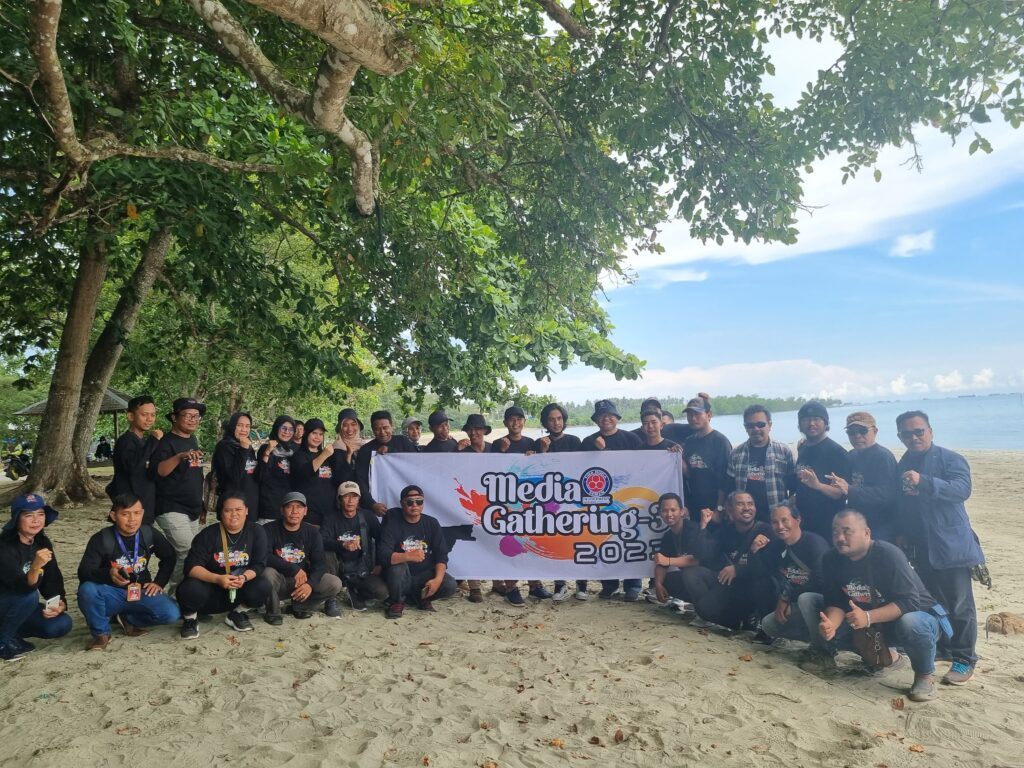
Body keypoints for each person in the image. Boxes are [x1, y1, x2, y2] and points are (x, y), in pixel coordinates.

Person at [894, 410, 984, 686]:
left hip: (952, 545)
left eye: (919, 431)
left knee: (960, 606)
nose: (914, 437)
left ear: (930, 431)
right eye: (907, 434)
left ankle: (965, 657)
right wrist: (901, 535)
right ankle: (944, 648)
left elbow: (962, 489)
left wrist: (926, 481)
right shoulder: (903, 463)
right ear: (899, 437)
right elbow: (903, 504)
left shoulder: (951, 459)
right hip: (921, 548)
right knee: (934, 603)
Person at [818, 510, 944, 702]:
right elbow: (835, 602)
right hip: (871, 623)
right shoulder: (830, 559)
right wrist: (831, 626)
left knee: (911, 622)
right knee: (812, 602)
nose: (840, 538)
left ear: (866, 532)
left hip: (917, 620)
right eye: (835, 532)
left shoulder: (888, 554)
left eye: (847, 531)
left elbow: (910, 602)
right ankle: (886, 658)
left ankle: (924, 675)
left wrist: (868, 617)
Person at [76, 493, 180, 650]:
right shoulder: (102, 538)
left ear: (143, 513)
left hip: (140, 590)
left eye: (137, 513)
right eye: (125, 514)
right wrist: (108, 573)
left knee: (171, 613)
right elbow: (84, 572)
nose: (132, 520)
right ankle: (101, 634)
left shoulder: (148, 533)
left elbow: (170, 556)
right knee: (87, 590)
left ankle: (128, 619)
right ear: (113, 515)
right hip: (111, 593)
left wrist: (159, 582)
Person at [175, 494, 270, 638]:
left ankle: (238, 613)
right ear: (221, 513)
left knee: (263, 585)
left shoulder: (256, 531)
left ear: (247, 511)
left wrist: (244, 578)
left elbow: (260, 564)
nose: (234, 514)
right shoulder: (208, 534)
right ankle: (190, 619)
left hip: (238, 587)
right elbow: (191, 567)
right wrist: (217, 578)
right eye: (228, 510)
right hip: (210, 589)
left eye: (238, 509)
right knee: (189, 588)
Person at [582, 399, 642, 600]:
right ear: (596, 420)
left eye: (609, 415)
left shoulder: (632, 439)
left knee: (630, 537)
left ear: (616, 418)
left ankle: (633, 584)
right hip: (600, 501)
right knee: (604, 540)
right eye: (601, 416)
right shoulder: (588, 441)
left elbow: (645, 466)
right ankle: (609, 583)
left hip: (629, 498)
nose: (606, 419)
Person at [0, 494, 72, 661]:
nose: (36, 520)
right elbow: (23, 587)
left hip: (19, 607)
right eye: (28, 515)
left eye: (40, 514)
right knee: (30, 596)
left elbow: (52, 578)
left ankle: (11, 633)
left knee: (61, 624)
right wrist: (35, 566)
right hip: (6, 602)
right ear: (17, 518)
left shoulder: (42, 542)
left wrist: (59, 603)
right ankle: (3, 643)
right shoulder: (4, 546)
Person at [691, 491, 776, 630]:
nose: (747, 508)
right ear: (730, 510)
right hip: (735, 586)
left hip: (759, 586)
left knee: (762, 583)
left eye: (750, 504)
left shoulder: (766, 530)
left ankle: (767, 627)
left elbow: (769, 568)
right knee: (697, 585)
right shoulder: (726, 530)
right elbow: (702, 554)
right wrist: (703, 526)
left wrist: (738, 569)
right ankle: (735, 620)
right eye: (740, 504)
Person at [150, 397, 207, 591]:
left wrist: (201, 505)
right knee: (187, 552)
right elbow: (159, 471)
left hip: (192, 508)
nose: (193, 419)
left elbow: (195, 474)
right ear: (174, 417)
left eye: (196, 416)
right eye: (188, 415)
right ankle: (178, 597)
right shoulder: (166, 443)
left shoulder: (192, 439)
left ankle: (186, 595)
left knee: (192, 553)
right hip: (171, 507)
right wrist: (179, 456)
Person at [378, 485, 457, 618]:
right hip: (400, 577)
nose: (415, 505)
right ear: (402, 504)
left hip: (423, 576)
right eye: (410, 502)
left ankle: (422, 598)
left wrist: (437, 580)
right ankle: (397, 602)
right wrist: (407, 556)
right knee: (397, 569)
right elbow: (382, 555)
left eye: (419, 501)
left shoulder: (432, 523)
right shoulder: (393, 524)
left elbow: (441, 555)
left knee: (450, 584)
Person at [262, 492, 343, 623]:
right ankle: (273, 612)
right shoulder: (268, 529)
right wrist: (292, 569)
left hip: (301, 581)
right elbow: (264, 556)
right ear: (282, 510)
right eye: (289, 506)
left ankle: (299, 606)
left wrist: (310, 584)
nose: (294, 511)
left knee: (334, 583)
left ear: (305, 511)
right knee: (267, 573)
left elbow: (319, 564)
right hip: (279, 581)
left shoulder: (312, 532)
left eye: (299, 507)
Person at [756, 503, 830, 647]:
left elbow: (821, 583)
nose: (780, 526)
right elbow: (763, 572)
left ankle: (823, 648)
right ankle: (811, 635)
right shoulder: (778, 545)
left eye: (784, 520)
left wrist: (786, 597)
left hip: (820, 604)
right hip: (793, 602)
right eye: (775, 522)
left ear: (798, 520)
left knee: (805, 599)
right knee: (768, 625)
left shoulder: (815, 545)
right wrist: (755, 551)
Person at [534, 402, 581, 601]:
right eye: (552, 419)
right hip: (550, 502)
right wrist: (541, 453)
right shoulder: (538, 442)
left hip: (573, 497)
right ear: (546, 422)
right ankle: (560, 585)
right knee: (556, 541)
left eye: (559, 418)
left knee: (577, 539)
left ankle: (582, 585)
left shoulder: (575, 441)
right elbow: (534, 473)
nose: (556, 423)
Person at [828, 412, 898, 540]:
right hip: (857, 525)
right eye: (851, 432)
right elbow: (844, 486)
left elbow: (887, 494)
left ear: (875, 431)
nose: (857, 436)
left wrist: (850, 489)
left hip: (881, 526)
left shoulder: (883, 457)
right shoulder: (851, 455)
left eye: (862, 431)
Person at [321, 482, 387, 609]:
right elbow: (321, 541)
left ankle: (355, 593)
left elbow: (381, 540)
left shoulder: (368, 516)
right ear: (339, 499)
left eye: (354, 496)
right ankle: (331, 598)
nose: (350, 501)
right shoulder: (330, 517)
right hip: (338, 567)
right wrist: (342, 544)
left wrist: (380, 564)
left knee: (381, 592)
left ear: (359, 499)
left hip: (362, 568)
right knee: (325, 552)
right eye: (346, 496)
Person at [792, 401, 850, 540]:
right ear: (800, 424)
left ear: (825, 423)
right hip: (803, 522)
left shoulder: (837, 452)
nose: (811, 423)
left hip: (827, 524)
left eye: (816, 419)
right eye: (806, 419)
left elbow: (840, 493)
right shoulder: (804, 448)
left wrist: (817, 485)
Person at [727, 404, 795, 523]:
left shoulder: (784, 451)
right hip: (746, 520)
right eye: (750, 425)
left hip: (776, 520)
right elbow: (729, 486)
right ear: (745, 427)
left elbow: (793, 486)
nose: (756, 429)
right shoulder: (735, 454)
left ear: (770, 425)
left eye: (760, 424)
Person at [107, 395, 163, 525]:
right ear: (131, 416)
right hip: (130, 507)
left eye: (153, 415)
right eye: (144, 415)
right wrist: (153, 441)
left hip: (145, 504)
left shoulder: (142, 441)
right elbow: (133, 467)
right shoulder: (126, 441)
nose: (149, 419)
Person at [651, 493, 714, 608]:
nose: (669, 514)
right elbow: (661, 564)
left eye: (673, 510)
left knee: (690, 573)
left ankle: (706, 609)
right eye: (664, 511)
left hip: (713, 575)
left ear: (682, 512)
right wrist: (658, 584)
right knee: (666, 580)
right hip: (694, 576)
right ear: (660, 513)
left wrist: (668, 560)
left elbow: (695, 560)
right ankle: (697, 603)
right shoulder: (668, 536)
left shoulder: (693, 529)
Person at [356, 411, 419, 516]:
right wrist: (372, 504)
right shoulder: (365, 450)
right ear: (372, 429)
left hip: (407, 503)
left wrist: (391, 451)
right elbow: (361, 481)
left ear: (392, 426)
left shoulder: (403, 442)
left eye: (385, 427)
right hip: (378, 506)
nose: (382, 432)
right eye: (377, 429)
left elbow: (416, 464)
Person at [682, 396, 732, 525]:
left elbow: (725, 480)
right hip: (695, 507)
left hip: (715, 509)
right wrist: (676, 456)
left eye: (697, 414)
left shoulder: (720, 442)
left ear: (709, 415)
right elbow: (689, 473)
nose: (693, 418)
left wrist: (719, 509)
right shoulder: (689, 441)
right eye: (690, 415)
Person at [289, 418, 341, 526]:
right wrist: (324, 455)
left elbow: (338, 477)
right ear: (306, 433)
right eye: (314, 433)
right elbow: (304, 474)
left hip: (329, 515)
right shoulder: (298, 455)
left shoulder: (327, 456)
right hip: (308, 517)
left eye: (321, 434)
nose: (318, 437)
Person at [212, 411, 259, 515]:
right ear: (233, 426)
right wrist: (243, 449)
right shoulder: (224, 446)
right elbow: (234, 477)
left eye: (247, 426)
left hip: (251, 504)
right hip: (233, 506)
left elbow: (252, 475)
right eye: (240, 425)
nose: (244, 430)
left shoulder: (247, 447)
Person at [255, 415, 297, 523]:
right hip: (269, 506)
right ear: (276, 428)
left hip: (288, 506)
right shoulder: (266, 448)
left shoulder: (293, 451)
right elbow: (261, 475)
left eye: (291, 429)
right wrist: (268, 452)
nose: (287, 432)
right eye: (283, 428)